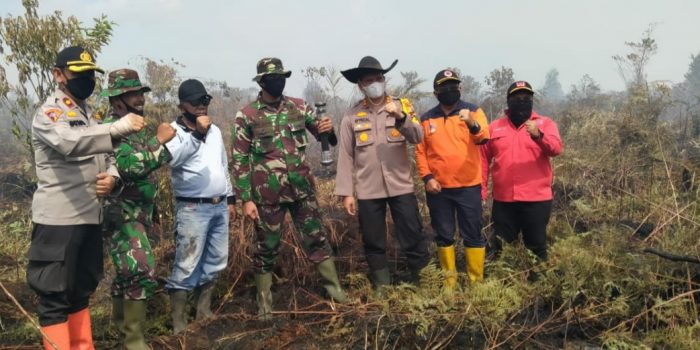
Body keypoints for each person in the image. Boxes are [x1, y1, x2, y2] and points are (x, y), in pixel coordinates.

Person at [27, 46, 144, 349]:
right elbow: (70, 142)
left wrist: (114, 176)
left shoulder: (88, 114)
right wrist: (118, 127)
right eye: (79, 74)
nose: (86, 80)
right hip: (58, 222)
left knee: (81, 292)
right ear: (58, 75)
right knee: (54, 297)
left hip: (89, 216)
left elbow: (109, 154)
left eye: (90, 74)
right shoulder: (49, 114)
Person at [232, 57, 348, 320]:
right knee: (266, 247)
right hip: (267, 196)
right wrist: (245, 199)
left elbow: (323, 137)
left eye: (282, 77)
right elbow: (239, 160)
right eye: (273, 78)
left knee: (316, 238)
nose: (278, 82)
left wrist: (327, 131)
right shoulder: (247, 115)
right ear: (261, 82)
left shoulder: (299, 107)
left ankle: (335, 292)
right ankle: (264, 306)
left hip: (301, 190)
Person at [335, 56, 430, 289]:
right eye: (370, 80)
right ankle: (383, 286)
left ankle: (425, 282)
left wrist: (400, 117)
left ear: (384, 80)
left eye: (379, 78)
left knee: (412, 234)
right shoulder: (351, 115)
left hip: (401, 186)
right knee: (373, 240)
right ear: (361, 86)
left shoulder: (402, 106)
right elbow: (346, 155)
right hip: (369, 190)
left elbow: (418, 137)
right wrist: (347, 193)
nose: (375, 83)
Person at [101, 68, 176, 349]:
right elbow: (129, 167)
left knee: (126, 274)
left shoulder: (136, 126)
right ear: (117, 98)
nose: (140, 98)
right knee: (142, 269)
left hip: (140, 213)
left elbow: (156, 160)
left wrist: (157, 143)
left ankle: (120, 333)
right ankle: (134, 341)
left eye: (140, 92)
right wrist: (158, 142)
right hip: (122, 212)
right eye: (133, 93)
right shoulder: (111, 129)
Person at [164, 79, 236, 333]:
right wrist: (197, 134)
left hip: (218, 205)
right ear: (182, 105)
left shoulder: (214, 130)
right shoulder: (173, 131)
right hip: (192, 209)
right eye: (195, 102)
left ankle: (203, 311)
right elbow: (173, 160)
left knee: (216, 259)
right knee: (187, 262)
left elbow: (222, 165)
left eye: (205, 101)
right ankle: (179, 322)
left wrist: (230, 198)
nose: (201, 107)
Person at [415, 69, 490, 289]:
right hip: (439, 190)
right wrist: (427, 178)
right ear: (436, 92)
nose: (450, 90)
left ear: (460, 88)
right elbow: (420, 152)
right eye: (444, 86)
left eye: (453, 85)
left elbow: (483, 137)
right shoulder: (427, 118)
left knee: (473, 234)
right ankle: (449, 281)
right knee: (444, 235)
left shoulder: (474, 111)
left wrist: (471, 123)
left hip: (469, 186)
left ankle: (476, 281)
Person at [480, 81, 563, 261]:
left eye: (527, 98)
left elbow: (556, 149)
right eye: (517, 98)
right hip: (504, 200)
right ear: (508, 101)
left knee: (536, 247)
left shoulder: (545, 124)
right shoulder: (494, 127)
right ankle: (507, 285)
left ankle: (537, 285)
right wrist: (482, 191)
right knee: (502, 248)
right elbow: (483, 160)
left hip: (536, 199)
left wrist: (539, 136)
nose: (522, 101)